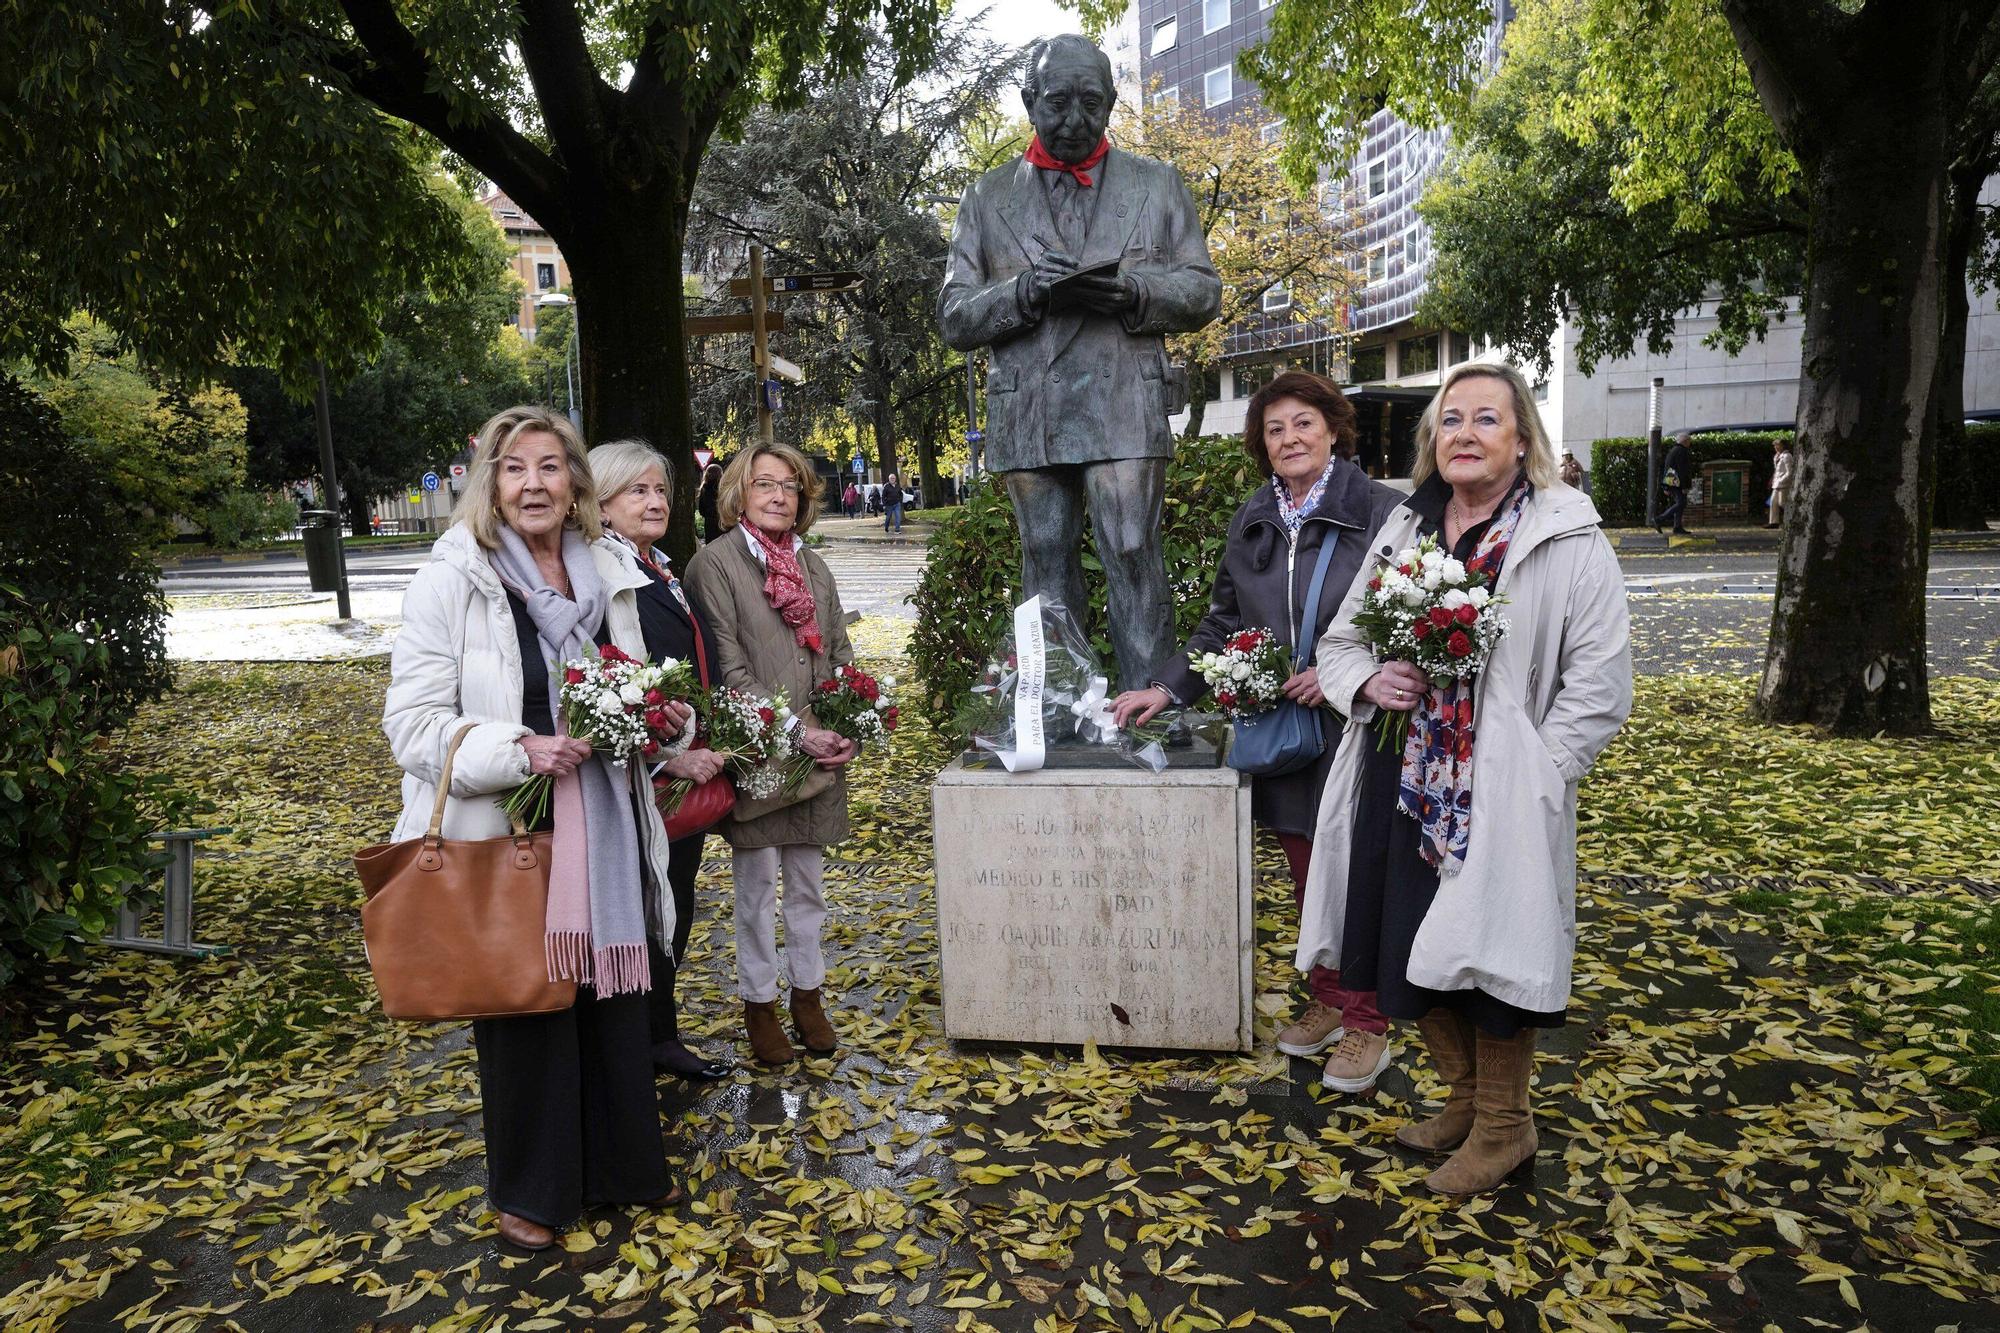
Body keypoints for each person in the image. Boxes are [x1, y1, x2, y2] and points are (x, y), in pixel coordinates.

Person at [1299, 363, 1632, 1197]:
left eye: (1488, 418)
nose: (1467, 434)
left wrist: (1544, 770)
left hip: (1503, 787)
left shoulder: (1565, 533)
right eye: (1451, 420)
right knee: (1410, 946)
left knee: (1491, 959)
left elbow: (1601, 681)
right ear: (1432, 441)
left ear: (1523, 439)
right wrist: (1371, 682)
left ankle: (1504, 1127)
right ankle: (1462, 1100)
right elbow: (1342, 644)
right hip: (1403, 776)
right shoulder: (1404, 531)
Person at [382, 406, 693, 1250]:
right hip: (513, 817)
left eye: (550, 467)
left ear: (575, 483)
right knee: (530, 1001)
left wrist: (666, 720)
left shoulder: (605, 568)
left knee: (612, 997)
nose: (533, 484)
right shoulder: (455, 577)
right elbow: (412, 725)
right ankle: (533, 1189)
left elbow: (646, 679)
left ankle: (622, 1168)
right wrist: (520, 747)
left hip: (612, 817)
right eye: (514, 468)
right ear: (489, 483)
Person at [1111, 371, 1402, 1091]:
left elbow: (1405, 617)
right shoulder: (1255, 516)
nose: (1290, 438)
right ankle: (1329, 1002)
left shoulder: (1384, 511)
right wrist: (1166, 685)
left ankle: (1368, 1024)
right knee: (1308, 873)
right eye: (1275, 429)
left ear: (1333, 427)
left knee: (1358, 873)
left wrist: (1342, 673)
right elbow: (1222, 620)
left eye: (1303, 423)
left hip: (1359, 725)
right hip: (1283, 729)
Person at [939, 33, 1222, 690]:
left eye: (1091, 104)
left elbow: (1202, 288)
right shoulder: (984, 198)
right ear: (1029, 99)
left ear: (1112, 102)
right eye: (1057, 103)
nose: (1073, 120)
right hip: (1029, 406)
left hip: (1123, 396)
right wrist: (1022, 292)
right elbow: (954, 315)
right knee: (1043, 555)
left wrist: (1137, 290)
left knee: (1131, 549)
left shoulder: (1157, 185)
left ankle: (1149, 702)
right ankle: (1061, 708)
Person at [685, 443, 860, 1066]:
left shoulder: (814, 565)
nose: (779, 495)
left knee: (809, 888)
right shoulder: (715, 564)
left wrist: (849, 720)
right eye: (765, 484)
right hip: (761, 750)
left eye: (790, 486)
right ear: (740, 493)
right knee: (757, 892)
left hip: (819, 758)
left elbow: (839, 653)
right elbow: (727, 671)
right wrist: (798, 731)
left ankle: (808, 996)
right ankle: (759, 1004)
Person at [589, 439, 734, 1083]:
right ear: (601, 502)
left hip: (679, 763)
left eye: (661, 490)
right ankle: (636, 1046)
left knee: (674, 898)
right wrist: (665, 758)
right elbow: (597, 678)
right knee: (642, 907)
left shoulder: (657, 568)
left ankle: (660, 1034)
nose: (656, 502)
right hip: (637, 775)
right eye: (637, 491)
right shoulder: (600, 572)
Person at [1658, 431, 1693, 534]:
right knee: (1681, 503)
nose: (1690, 443)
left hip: (1671, 481)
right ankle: (1660, 519)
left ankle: (1677, 527)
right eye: (1689, 440)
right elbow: (1683, 470)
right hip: (1677, 482)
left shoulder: (1673, 450)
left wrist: (1666, 486)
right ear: (1685, 441)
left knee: (1680, 503)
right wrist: (1685, 486)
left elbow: (1666, 469)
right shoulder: (1682, 451)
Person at [1767, 438, 1793, 528]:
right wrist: (1773, 480)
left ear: (1783, 446)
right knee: (1773, 502)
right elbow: (1777, 471)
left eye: (1778, 445)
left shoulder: (1787, 456)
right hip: (1776, 483)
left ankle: (1791, 520)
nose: (1776, 447)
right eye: (1775, 445)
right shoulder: (1776, 456)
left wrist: (1781, 480)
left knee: (1782, 503)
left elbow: (1790, 472)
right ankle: (1774, 523)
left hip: (1784, 484)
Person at [697, 461, 724, 543]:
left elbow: (701, 509)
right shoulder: (723, 489)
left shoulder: (704, 489)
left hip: (709, 522)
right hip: (722, 521)